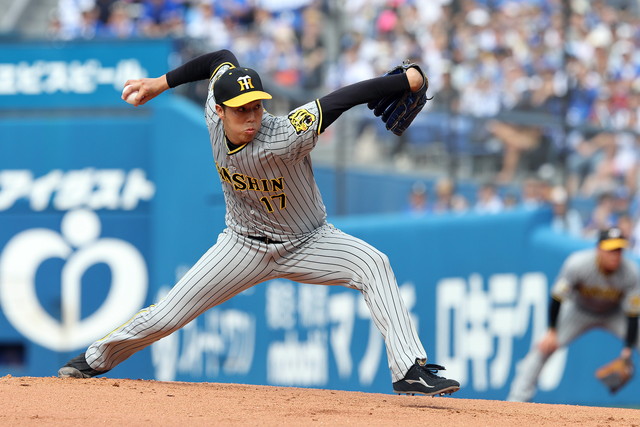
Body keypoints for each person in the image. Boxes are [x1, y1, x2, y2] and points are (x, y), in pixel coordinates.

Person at [57, 49, 461, 397]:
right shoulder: (213, 116)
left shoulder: (285, 135)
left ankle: (408, 370)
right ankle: (92, 360)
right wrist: (160, 84)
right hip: (242, 246)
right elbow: (220, 59)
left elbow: (341, 99)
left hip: (309, 241)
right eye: (241, 109)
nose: (251, 116)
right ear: (218, 110)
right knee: (167, 314)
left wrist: (406, 81)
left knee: (373, 263)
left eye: (256, 106)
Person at [507, 227, 640, 402]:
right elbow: (557, 298)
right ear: (599, 249)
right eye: (610, 250)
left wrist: (627, 349)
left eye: (619, 250)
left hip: (613, 313)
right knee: (544, 347)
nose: (615, 255)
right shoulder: (578, 264)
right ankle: (516, 400)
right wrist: (552, 330)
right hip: (579, 311)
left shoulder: (631, 272)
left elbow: (633, 314)